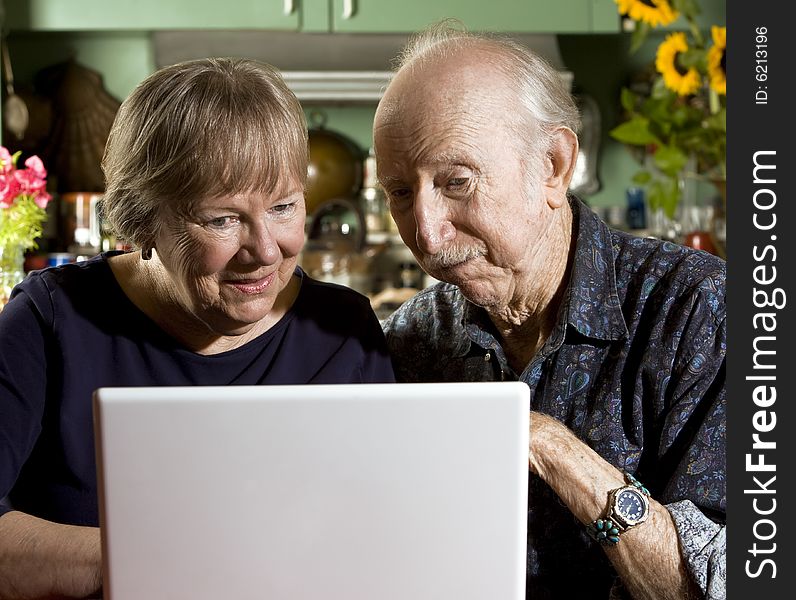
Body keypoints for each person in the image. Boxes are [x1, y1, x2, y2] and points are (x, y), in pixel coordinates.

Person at [0, 57, 394, 599]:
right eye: (222, 219)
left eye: (283, 207)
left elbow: (381, 538)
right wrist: (164, 562)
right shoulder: (47, 322)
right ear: (142, 221)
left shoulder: (342, 331)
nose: (264, 251)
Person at [375, 25, 725, 600]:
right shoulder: (409, 340)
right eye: (400, 194)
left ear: (554, 167)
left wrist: (546, 443)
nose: (428, 237)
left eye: (456, 183)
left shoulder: (703, 315)